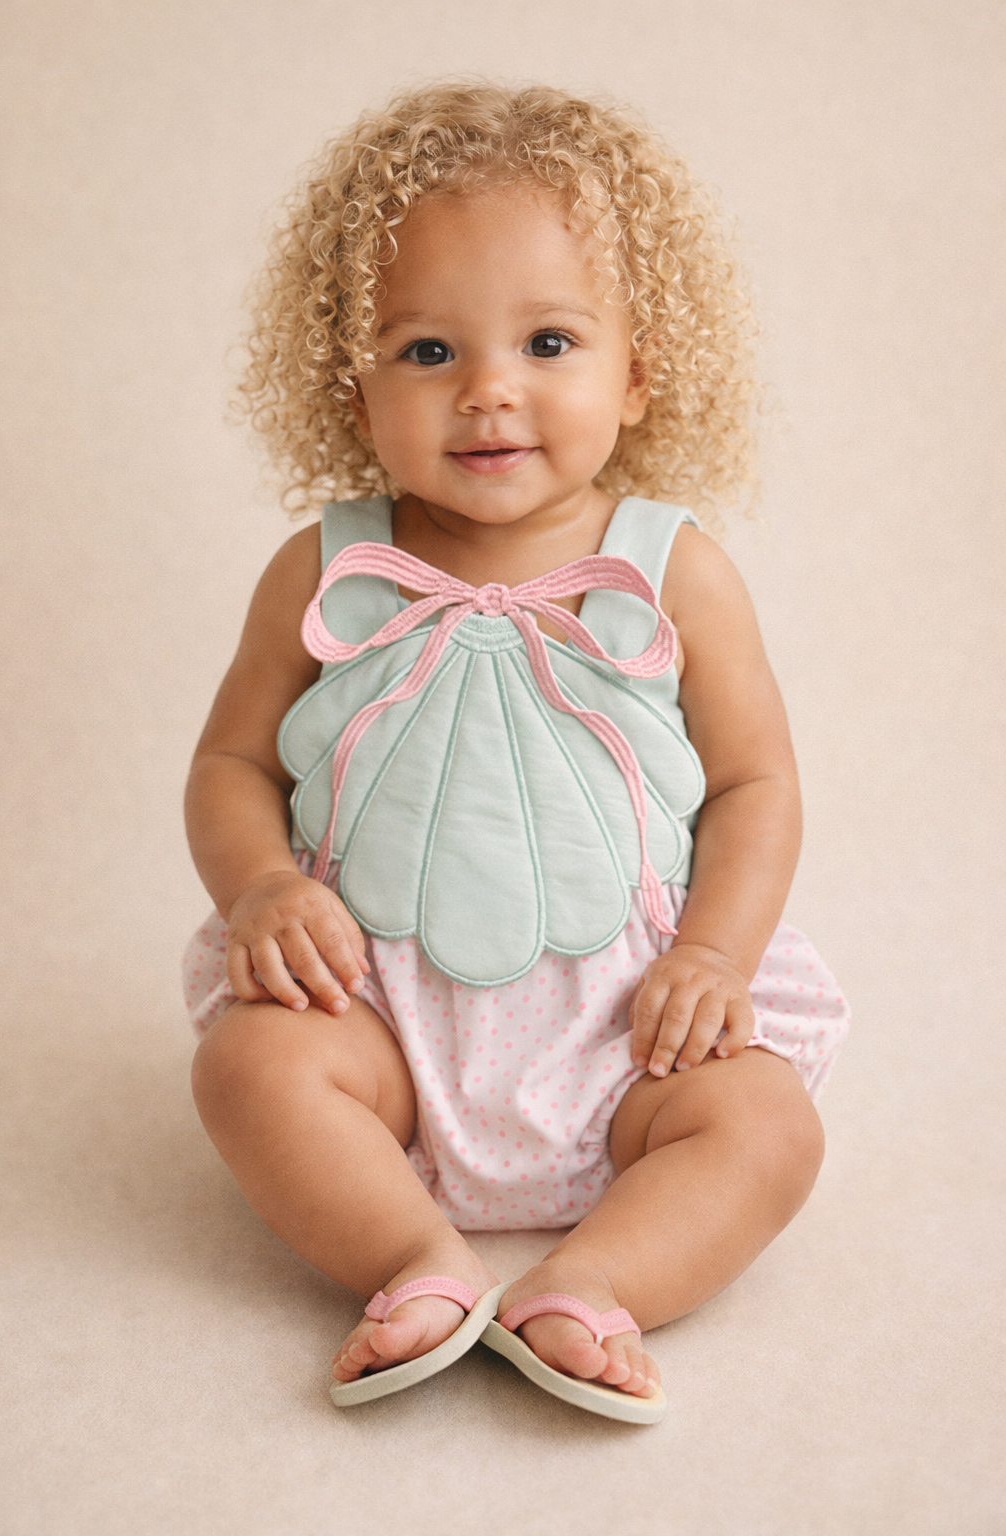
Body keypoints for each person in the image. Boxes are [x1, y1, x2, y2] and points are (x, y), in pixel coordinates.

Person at [183, 82, 849, 1414]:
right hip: (377, 1023)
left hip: (627, 1031)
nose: (489, 391)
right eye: (427, 352)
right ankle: (410, 1257)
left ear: (639, 370)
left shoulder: (674, 571)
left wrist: (714, 956)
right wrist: (259, 887)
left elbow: (756, 785)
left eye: (549, 342)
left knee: (768, 1130)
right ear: (353, 375)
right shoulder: (324, 566)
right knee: (249, 1067)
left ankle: (592, 1284)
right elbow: (231, 765)